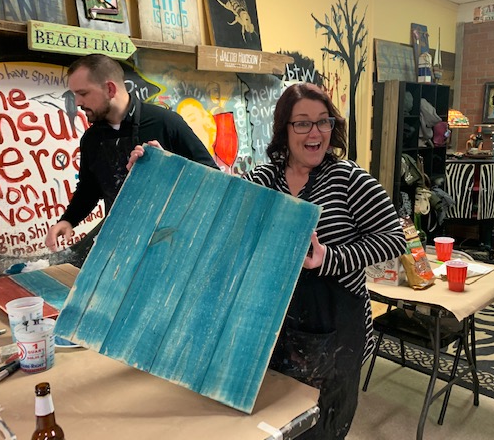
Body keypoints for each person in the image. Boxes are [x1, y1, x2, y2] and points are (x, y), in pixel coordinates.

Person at [243, 83, 406, 438]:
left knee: (322, 426)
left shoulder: (349, 180)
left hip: (336, 328)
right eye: (302, 123)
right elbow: (221, 204)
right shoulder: (263, 179)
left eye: (323, 121)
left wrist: (329, 258)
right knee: (276, 421)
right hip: (273, 324)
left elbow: (394, 240)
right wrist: (161, 167)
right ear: (284, 129)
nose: (315, 132)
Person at [45, 54, 217, 251]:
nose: (77, 102)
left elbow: (213, 175)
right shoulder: (91, 139)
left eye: (83, 93)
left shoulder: (166, 123)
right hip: (120, 241)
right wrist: (68, 220)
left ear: (110, 89)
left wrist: (168, 165)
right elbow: (89, 189)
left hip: (171, 241)